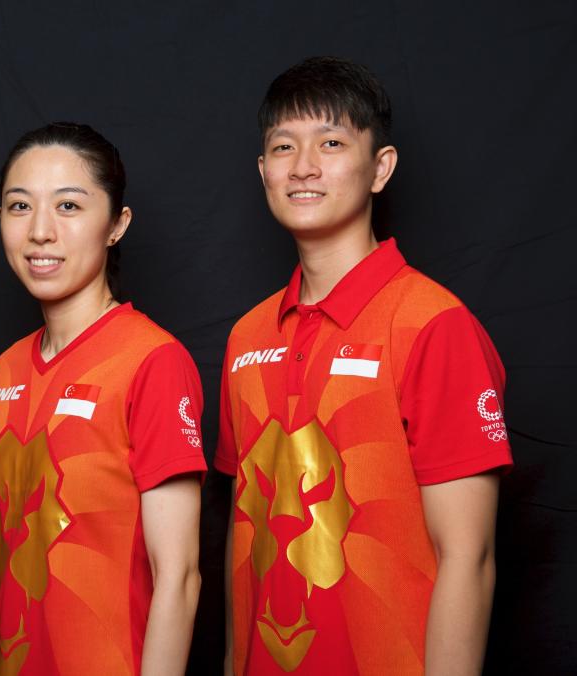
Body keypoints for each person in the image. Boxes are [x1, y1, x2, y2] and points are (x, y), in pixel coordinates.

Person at [215, 57, 513, 675]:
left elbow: (469, 556)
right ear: (263, 170)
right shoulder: (246, 336)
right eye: (283, 146)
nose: (303, 166)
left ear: (381, 168)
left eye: (330, 143)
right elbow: (246, 531)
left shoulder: (433, 324)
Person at [0, 122, 206, 676]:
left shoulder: (152, 361)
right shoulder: (6, 368)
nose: (40, 231)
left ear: (116, 225)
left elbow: (178, 575)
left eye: (69, 207)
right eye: (19, 206)